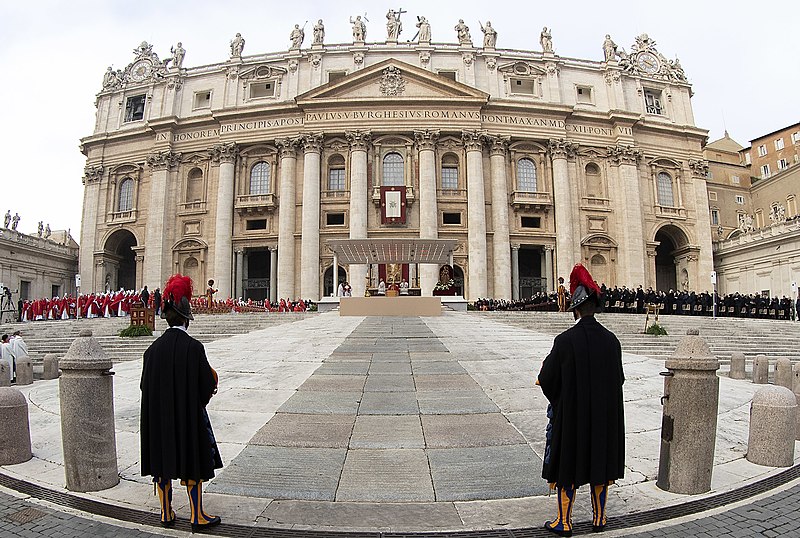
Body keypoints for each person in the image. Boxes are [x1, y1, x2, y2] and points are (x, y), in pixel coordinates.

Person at [537, 263, 625, 536]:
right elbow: (619, 379)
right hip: (603, 416)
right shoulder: (612, 341)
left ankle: (564, 522)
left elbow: (546, 377)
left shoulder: (565, 341)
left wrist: (560, 395)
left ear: (575, 309)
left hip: (573, 415)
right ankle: (600, 517)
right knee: (600, 461)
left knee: (568, 464)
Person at [140, 274, 222, 530]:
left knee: (162, 464)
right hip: (188, 415)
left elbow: (145, 386)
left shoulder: (151, 351)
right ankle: (197, 515)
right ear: (186, 319)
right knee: (192, 462)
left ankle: (166, 512)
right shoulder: (194, 347)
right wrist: (199, 399)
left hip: (159, 418)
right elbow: (207, 384)